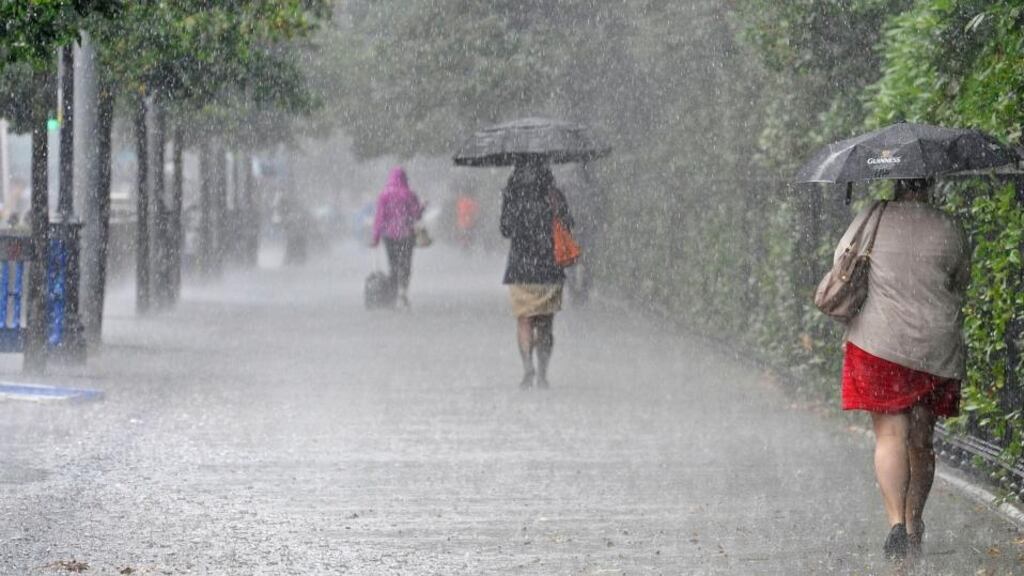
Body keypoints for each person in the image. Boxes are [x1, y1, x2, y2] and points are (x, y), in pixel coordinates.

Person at [834, 178, 970, 563]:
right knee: (922, 439)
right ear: (931, 184)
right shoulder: (950, 226)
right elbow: (961, 280)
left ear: (896, 182)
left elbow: (841, 263)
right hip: (934, 349)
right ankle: (914, 524)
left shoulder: (873, 218)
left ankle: (894, 523)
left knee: (890, 436)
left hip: (880, 345)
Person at [500, 158, 573, 389]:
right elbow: (568, 224)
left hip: (521, 267)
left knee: (524, 319)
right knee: (545, 322)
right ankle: (542, 373)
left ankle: (527, 367)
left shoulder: (512, 194)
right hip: (548, 266)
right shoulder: (553, 195)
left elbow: (505, 229)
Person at [371, 167, 424, 307]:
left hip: (389, 236)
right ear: (405, 178)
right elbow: (416, 214)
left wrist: (376, 237)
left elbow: (379, 218)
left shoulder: (384, 196)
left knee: (393, 265)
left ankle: (392, 294)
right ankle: (403, 291)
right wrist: (422, 207)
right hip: (406, 235)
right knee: (406, 263)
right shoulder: (409, 194)